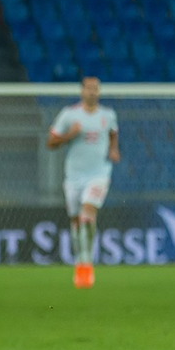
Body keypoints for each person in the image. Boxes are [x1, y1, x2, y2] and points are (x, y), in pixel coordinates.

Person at [47, 76, 120, 289]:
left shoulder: (108, 115)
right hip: (74, 176)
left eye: (96, 89)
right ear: (82, 91)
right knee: (76, 222)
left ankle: (86, 264)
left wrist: (113, 149)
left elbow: (113, 133)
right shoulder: (69, 115)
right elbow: (50, 142)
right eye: (89, 88)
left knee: (87, 215)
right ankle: (80, 259)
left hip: (99, 174)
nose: (92, 92)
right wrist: (70, 135)